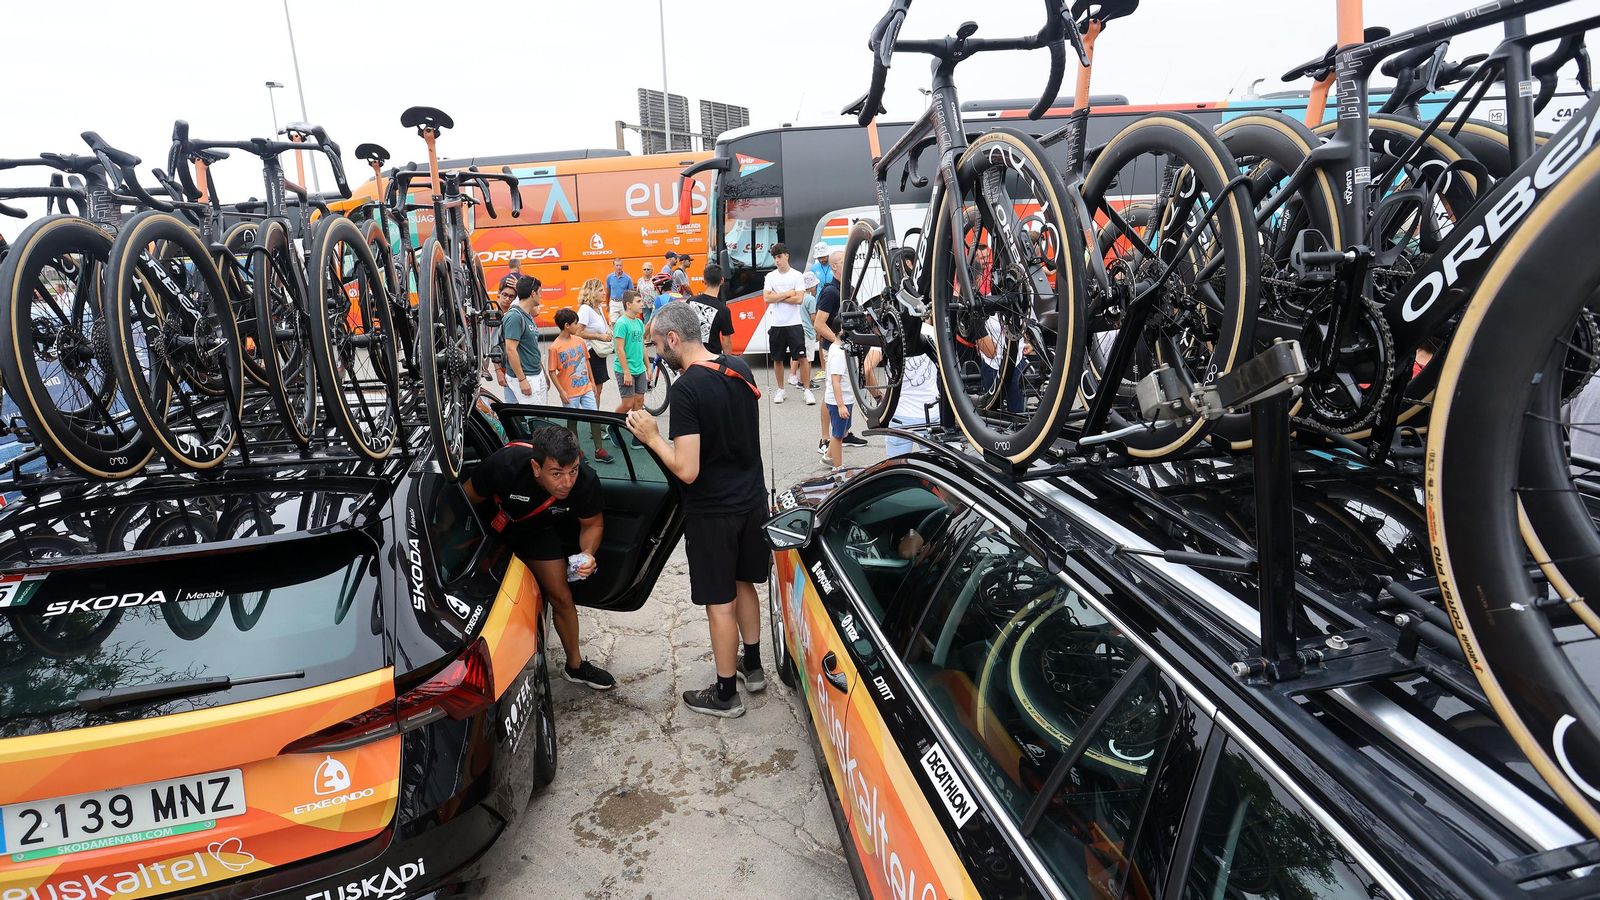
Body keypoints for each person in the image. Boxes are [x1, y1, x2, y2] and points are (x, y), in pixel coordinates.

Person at [624, 302, 767, 718]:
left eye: (655, 345)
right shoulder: (738, 366)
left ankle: (726, 695)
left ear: (673, 339)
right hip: (752, 501)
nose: (654, 354)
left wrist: (652, 436)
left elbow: (687, 469)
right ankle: (753, 668)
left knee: (719, 603)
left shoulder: (687, 389)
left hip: (714, 512)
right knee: (745, 585)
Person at [464, 426, 615, 690]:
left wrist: (588, 554)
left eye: (573, 471)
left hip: (534, 533)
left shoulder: (585, 481)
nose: (567, 482)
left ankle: (575, 666)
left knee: (562, 596)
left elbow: (593, 524)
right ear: (536, 468)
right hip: (487, 528)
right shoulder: (506, 464)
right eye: (556, 473)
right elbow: (464, 500)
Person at [812, 251, 867, 453]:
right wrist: (836, 341)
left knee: (845, 391)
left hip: (848, 349)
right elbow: (818, 323)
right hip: (834, 350)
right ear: (834, 266)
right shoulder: (830, 292)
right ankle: (825, 439)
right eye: (844, 262)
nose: (848, 264)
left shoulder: (849, 288)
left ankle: (844, 433)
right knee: (830, 394)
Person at [548, 307, 613, 462]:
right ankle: (576, 452)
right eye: (576, 323)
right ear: (567, 326)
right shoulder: (555, 347)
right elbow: (552, 371)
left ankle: (599, 450)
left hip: (586, 388)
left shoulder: (579, 341)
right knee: (572, 422)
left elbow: (586, 361)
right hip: (569, 393)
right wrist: (562, 392)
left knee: (595, 417)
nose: (579, 326)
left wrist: (591, 382)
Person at [869, 317, 940, 458]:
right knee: (936, 469)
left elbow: (866, 369)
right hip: (932, 413)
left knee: (897, 469)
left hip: (900, 414)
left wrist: (878, 397)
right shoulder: (933, 332)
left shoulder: (887, 334)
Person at [762, 243, 812, 405]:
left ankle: (807, 390)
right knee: (777, 359)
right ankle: (781, 389)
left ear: (786, 256)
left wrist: (778, 296)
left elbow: (799, 299)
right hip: (777, 324)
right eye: (775, 258)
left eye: (779, 257)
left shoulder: (797, 275)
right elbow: (766, 298)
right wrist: (788, 293)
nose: (777, 260)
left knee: (802, 357)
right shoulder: (770, 276)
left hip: (795, 323)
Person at [575, 280, 614, 446]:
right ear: (591, 292)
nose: (604, 293)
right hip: (590, 353)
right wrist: (600, 336)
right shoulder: (585, 309)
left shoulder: (598, 308)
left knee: (598, 388)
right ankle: (594, 425)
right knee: (594, 390)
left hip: (599, 353)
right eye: (600, 291)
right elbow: (578, 332)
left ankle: (595, 421)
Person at [502, 275, 548, 404]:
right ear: (533, 293)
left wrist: (542, 373)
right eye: (540, 292)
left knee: (542, 417)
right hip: (526, 377)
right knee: (535, 419)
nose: (541, 296)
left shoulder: (527, 313)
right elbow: (511, 350)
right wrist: (522, 380)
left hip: (536, 373)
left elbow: (531, 347)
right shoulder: (515, 317)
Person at [613, 290, 648, 420]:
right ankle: (612, 423)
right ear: (628, 304)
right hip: (625, 370)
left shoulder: (639, 322)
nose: (642, 304)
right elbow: (619, 349)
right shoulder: (621, 323)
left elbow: (642, 345)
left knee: (639, 401)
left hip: (639, 369)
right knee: (628, 403)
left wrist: (648, 367)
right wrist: (626, 372)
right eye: (638, 301)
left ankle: (635, 432)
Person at [686, 264, 735, 355]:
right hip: (710, 359)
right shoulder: (723, 310)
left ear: (704, 281)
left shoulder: (690, 301)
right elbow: (726, 342)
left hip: (689, 355)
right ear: (722, 281)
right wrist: (728, 362)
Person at [824, 331, 854, 470]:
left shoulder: (836, 347)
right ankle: (838, 467)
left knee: (843, 430)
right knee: (838, 435)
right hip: (839, 400)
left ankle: (829, 456)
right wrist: (841, 405)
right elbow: (836, 381)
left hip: (845, 397)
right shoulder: (838, 354)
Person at [798, 270, 820, 401]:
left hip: (798, 331)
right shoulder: (811, 299)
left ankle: (802, 380)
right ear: (810, 286)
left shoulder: (798, 296)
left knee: (802, 358)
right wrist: (818, 331)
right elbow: (814, 318)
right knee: (809, 359)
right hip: (808, 332)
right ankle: (806, 382)